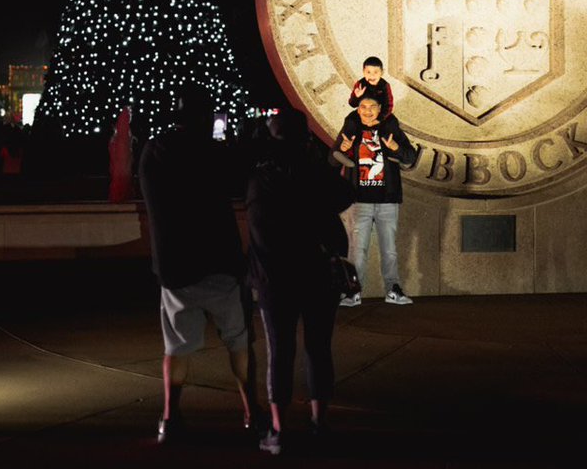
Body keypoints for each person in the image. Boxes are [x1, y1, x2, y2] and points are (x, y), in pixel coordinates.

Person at [138, 87, 257, 444]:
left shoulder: (154, 153)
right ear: (207, 119)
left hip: (175, 267)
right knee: (239, 342)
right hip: (220, 263)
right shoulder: (213, 153)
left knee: (176, 347)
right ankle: (253, 412)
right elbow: (243, 175)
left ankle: (170, 418)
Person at [247, 109, 353, 454]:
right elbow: (344, 195)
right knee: (318, 349)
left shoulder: (261, 178)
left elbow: (259, 231)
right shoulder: (315, 173)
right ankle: (319, 424)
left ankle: (278, 432)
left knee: (280, 351)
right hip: (318, 273)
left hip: (275, 280)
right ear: (304, 139)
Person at [331, 96, 417, 306]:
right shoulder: (351, 129)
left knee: (389, 249)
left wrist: (395, 146)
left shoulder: (390, 128)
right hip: (359, 200)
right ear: (358, 109)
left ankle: (393, 289)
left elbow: (410, 157)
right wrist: (343, 148)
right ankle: (353, 291)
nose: (367, 110)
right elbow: (332, 159)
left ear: (380, 109)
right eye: (363, 107)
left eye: (372, 106)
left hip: (387, 199)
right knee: (357, 249)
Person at [339, 56, 394, 138]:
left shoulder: (385, 86)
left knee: (391, 124)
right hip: (363, 113)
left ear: (382, 72)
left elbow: (389, 105)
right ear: (363, 72)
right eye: (368, 72)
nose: (372, 76)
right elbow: (352, 104)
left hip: (377, 114)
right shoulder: (360, 84)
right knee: (350, 120)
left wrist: (378, 119)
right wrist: (356, 96)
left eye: (375, 72)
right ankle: (345, 145)